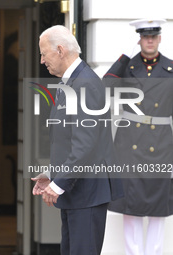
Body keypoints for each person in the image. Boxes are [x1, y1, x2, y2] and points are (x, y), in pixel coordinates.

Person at [31, 25, 123, 255]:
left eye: (44, 53)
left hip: (87, 193)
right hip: (77, 193)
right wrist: (53, 174)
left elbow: (86, 145)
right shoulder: (72, 81)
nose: (42, 61)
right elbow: (69, 141)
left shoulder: (85, 83)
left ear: (60, 50)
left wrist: (59, 183)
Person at [103, 19, 173, 255]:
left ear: (160, 38)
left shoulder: (171, 69)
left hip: (161, 146)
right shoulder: (127, 67)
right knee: (130, 209)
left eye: (154, 36)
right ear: (139, 39)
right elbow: (102, 90)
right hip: (129, 147)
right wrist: (123, 58)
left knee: (157, 210)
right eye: (145, 36)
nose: (150, 40)